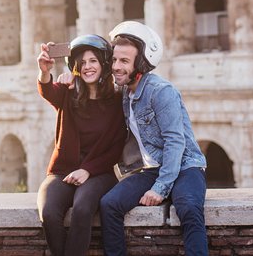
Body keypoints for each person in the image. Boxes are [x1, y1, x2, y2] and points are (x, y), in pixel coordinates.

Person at [99, 21, 208, 256]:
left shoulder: (161, 91)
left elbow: (175, 142)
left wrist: (160, 188)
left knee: (188, 207)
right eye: (114, 60)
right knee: (109, 205)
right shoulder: (124, 93)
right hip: (151, 169)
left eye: (124, 61)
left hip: (185, 166)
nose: (116, 66)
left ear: (140, 63)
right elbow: (89, 86)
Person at [36, 34, 126, 256]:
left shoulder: (117, 101)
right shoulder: (68, 93)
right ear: (76, 67)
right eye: (82, 62)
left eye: (93, 61)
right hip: (62, 172)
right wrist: (45, 71)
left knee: (83, 209)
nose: (87, 67)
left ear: (104, 64)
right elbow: (47, 90)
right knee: (48, 212)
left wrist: (87, 170)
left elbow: (116, 149)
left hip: (99, 173)